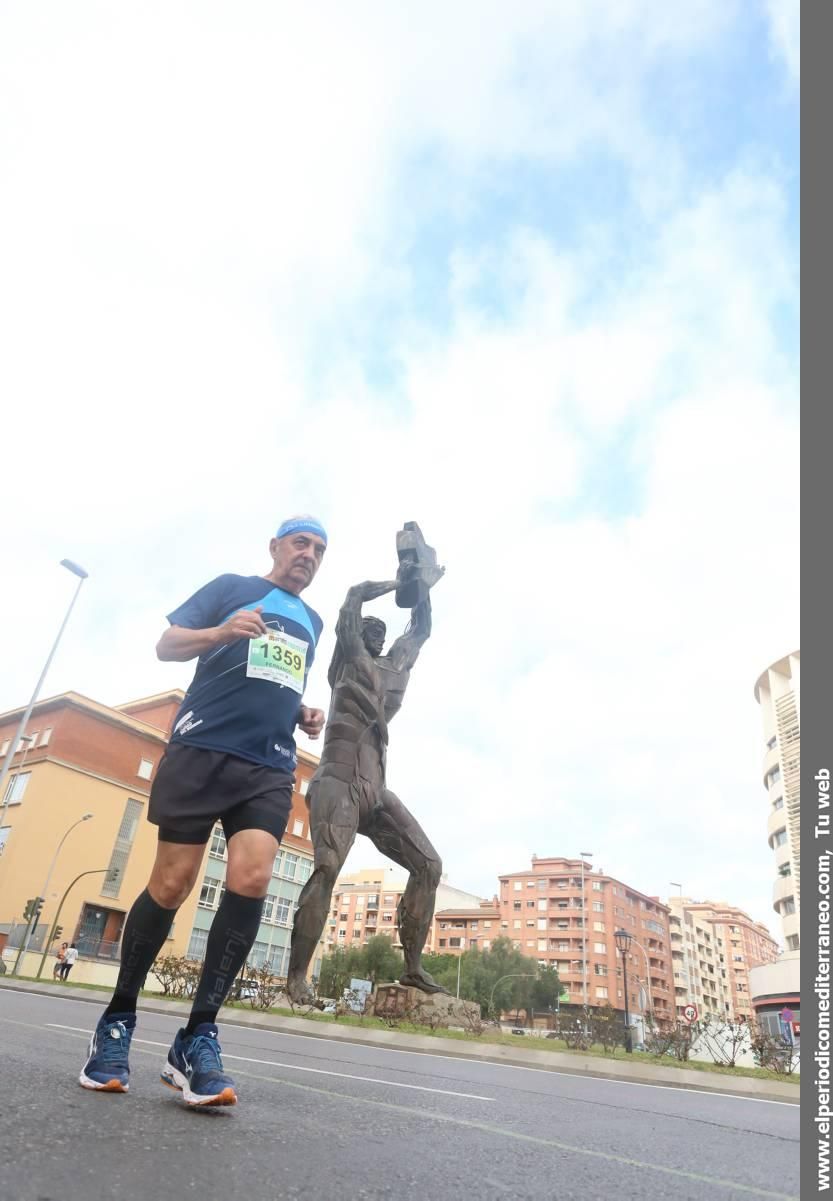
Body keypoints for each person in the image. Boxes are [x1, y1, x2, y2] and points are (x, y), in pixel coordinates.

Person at [79, 516, 327, 1106]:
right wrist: (220, 631)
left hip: (268, 765)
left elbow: (269, 680)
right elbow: (167, 645)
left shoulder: (313, 623)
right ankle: (116, 1024)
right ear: (275, 546)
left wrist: (299, 713)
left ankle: (197, 1037)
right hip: (200, 749)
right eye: (300, 543)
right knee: (172, 883)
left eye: (319, 549)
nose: (309, 555)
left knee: (254, 875)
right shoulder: (230, 587)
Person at [287, 556, 446, 1005]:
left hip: (375, 790)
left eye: (381, 630)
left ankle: (412, 967)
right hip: (337, 782)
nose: (376, 633)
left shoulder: (395, 671)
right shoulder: (347, 662)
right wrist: (399, 581)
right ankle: (297, 979)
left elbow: (420, 632)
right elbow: (353, 598)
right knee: (326, 869)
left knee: (429, 865)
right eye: (369, 629)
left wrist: (423, 588)